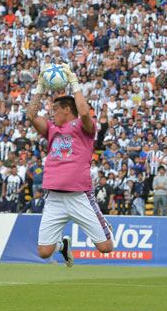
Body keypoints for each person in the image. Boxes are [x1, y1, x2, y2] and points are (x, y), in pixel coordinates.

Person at [26, 63, 113, 267]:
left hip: (79, 195)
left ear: (67, 110)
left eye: (55, 109)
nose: (51, 112)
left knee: (106, 248)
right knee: (44, 252)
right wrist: (39, 86)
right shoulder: (51, 129)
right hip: (54, 197)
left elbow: (83, 113)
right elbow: (31, 116)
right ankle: (62, 246)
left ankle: (103, 224)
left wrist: (74, 83)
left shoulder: (83, 128)